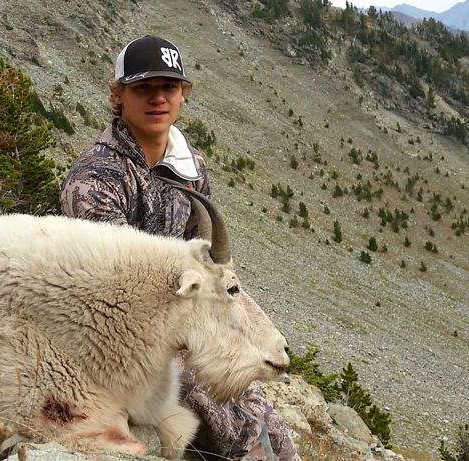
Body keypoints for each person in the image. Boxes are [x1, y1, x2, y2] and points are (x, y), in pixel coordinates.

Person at [60, 35, 301, 461]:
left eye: (168, 88)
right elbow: (112, 288)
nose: (158, 98)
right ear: (118, 96)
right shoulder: (95, 177)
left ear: (183, 95)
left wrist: (238, 324)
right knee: (229, 420)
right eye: (142, 89)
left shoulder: (192, 167)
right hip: (116, 332)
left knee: (273, 427)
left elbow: (205, 260)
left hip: (181, 315)